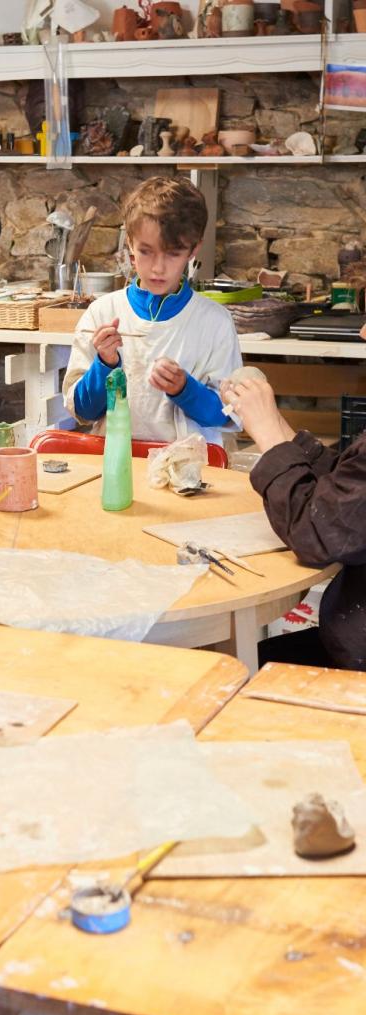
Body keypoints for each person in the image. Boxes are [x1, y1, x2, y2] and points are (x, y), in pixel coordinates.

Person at [62, 176, 242, 444]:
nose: (158, 268)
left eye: (172, 253)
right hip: (116, 464)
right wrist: (105, 365)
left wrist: (184, 389)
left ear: (193, 249)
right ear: (130, 246)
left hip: (190, 470)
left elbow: (227, 414)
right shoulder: (102, 313)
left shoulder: (214, 322)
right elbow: (83, 411)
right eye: (146, 252)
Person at [221, 373, 365, 670]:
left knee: (227, 670)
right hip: (346, 639)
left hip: (355, 667)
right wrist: (276, 426)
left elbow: (317, 533)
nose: (363, 332)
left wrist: (269, 435)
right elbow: (348, 491)